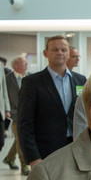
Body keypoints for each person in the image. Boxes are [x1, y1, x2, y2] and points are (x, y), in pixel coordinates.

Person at [19, 35, 87, 167]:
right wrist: (33, 158)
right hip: (46, 150)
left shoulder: (81, 80)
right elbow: (25, 123)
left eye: (63, 50)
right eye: (55, 49)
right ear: (45, 53)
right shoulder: (32, 82)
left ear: (68, 53)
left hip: (76, 147)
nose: (60, 53)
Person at [3, 56, 30, 175]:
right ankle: (24, 165)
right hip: (15, 114)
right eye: (24, 63)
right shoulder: (8, 79)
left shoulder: (30, 77)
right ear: (15, 66)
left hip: (29, 113)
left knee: (19, 139)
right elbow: (4, 95)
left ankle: (9, 159)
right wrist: (6, 109)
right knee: (21, 139)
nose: (26, 65)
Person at [0, 65, 10, 154]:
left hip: (0, 110)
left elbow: (4, 89)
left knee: (1, 142)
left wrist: (7, 108)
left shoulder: (0, 66)